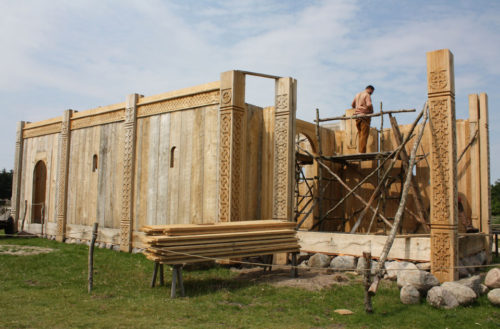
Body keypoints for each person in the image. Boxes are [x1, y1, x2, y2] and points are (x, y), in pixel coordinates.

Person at [351, 85, 375, 153]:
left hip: (357, 117)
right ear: (370, 89)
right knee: (364, 135)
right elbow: (369, 104)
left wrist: (358, 109)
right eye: (371, 92)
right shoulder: (367, 95)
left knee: (360, 135)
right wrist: (370, 110)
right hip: (364, 117)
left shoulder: (358, 94)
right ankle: (362, 152)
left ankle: (360, 151)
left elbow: (352, 104)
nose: (371, 93)